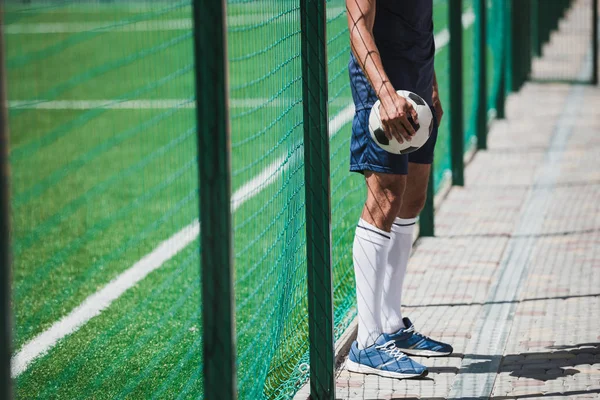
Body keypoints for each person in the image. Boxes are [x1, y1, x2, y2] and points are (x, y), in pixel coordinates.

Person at [345, 0, 453, 379]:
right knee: (386, 197)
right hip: (382, 87)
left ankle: (391, 324)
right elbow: (358, 24)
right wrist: (386, 94)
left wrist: (432, 84)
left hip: (418, 83)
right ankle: (368, 342)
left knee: (414, 198)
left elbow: (421, 21)